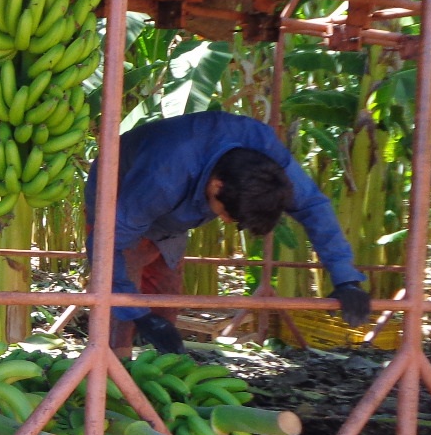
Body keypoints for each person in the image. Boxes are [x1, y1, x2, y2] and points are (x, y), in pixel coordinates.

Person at [84, 109, 371, 354]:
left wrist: (345, 278)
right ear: (217, 186)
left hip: (175, 215)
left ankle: (160, 371)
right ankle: (110, 374)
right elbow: (106, 245)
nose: (227, 222)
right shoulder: (164, 178)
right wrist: (136, 314)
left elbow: (313, 205)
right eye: (225, 214)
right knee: (121, 306)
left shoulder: (265, 153)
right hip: (122, 194)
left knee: (165, 299)